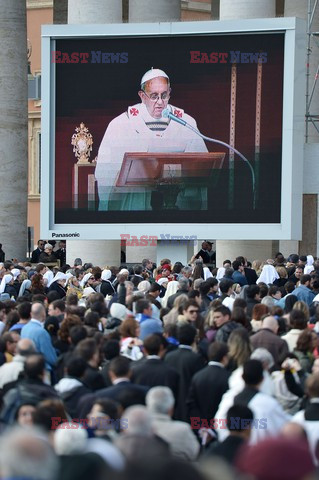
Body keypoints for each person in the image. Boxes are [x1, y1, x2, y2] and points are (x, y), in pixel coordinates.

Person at [95, 68, 208, 211]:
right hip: (136, 204)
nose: (160, 102)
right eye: (154, 96)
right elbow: (106, 173)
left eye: (164, 95)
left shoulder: (186, 122)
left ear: (170, 93)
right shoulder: (121, 124)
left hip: (176, 201)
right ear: (142, 96)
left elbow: (201, 170)